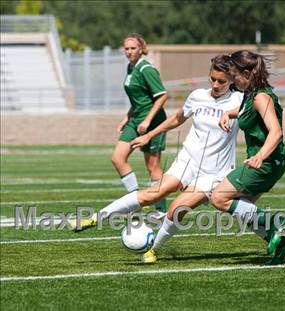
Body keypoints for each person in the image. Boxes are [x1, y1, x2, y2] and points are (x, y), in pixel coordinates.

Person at [71, 55, 242, 264]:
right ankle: (96, 217)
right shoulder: (198, 96)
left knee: (176, 208)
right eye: (212, 79)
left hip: (213, 172)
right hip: (187, 161)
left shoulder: (239, 101)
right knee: (150, 195)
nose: (215, 85)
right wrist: (149, 135)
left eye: (221, 81)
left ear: (233, 79)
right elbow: (177, 119)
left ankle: (152, 250)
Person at [210, 50, 285, 265]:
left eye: (233, 73)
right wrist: (227, 114)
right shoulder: (251, 94)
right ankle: (283, 248)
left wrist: (259, 156)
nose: (231, 78)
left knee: (219, 197)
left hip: (267, 162)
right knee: (244, 209)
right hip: (268, 161)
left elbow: (276, 131)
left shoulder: (261, 97)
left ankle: (275, 225)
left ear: (247, 73)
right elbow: (243, 112)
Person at [113, 33, 167, 217]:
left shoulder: (146, 69)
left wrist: (147, 121)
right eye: (126, 48)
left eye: (133, 48)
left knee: (153, 167)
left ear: (141, 48)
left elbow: (162, 96)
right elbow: (139, 98)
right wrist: (127, 117)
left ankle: (160, 210)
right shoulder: (131, 67)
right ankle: (134, 201)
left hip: (152, 121)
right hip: (135, 119)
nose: (129, 52)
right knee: (118, 158)